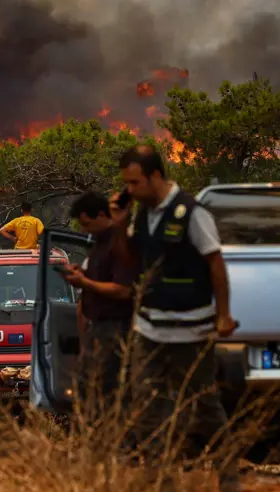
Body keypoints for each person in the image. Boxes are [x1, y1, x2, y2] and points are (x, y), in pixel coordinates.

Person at [112, 144, 241, 491]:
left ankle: (229, 479)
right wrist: (119, 225)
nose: (130, 190)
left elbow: (215, 263)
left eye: (135, 183)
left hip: (191, 330)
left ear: (156, 176)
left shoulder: (191, 212)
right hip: (150, 328)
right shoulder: (142, 213)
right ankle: (163, 480)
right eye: (126, 184)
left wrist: (224, 315)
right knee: (146, 402)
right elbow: (130, 259)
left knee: (204, 407)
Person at [58, 192, 139, 408]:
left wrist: (84, 283)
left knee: (110, 393)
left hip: (116, 331)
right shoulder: (98, 247)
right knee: (89, 391)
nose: (84, 230)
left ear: (102, 215)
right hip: (97, 332)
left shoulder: (119, 244)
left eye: (87, 223)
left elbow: (122, 290)